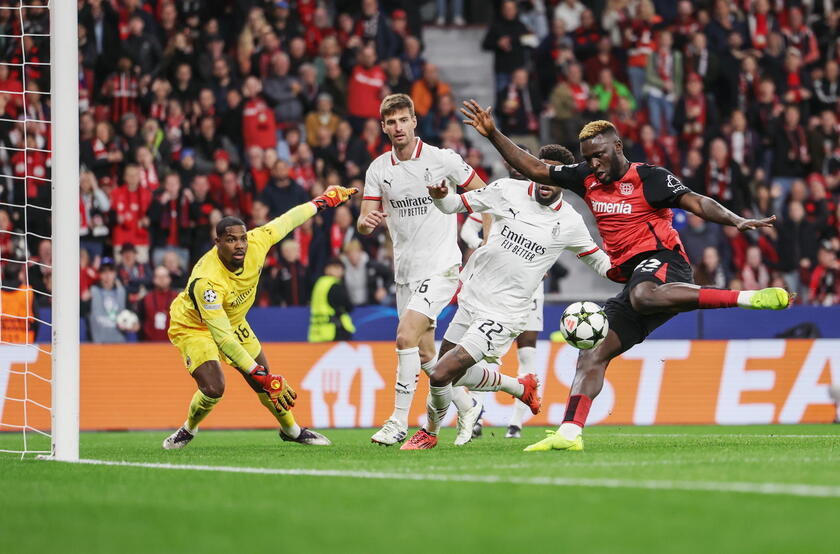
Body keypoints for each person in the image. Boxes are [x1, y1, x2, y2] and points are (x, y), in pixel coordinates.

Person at [460, 104, 791, 452]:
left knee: (644, 296)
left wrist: (735, 219)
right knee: (592, 353)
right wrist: (493, 134)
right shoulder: (586, 177)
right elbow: (536, 168)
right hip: (638, 280)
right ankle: (570, 434)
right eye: (588, 158)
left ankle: (746, 297)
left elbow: (696, 202)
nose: (595, 164)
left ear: (617, 147)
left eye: (600, 155)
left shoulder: (650, 177)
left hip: (666, 264)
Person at [401, 144, 612, 449]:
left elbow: (600, 263)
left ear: (563, 182)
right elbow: (451, 206)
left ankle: (429, 433)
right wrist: (439, 196)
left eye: (552, 178)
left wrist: (636, 271)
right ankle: (518, 386)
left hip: (505, 312)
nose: (543, 182)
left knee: (442, 372)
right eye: (540, 173)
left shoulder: (570, 222)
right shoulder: (506, 190)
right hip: (472, 297)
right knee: (445, 374)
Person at [161, 184, 357, 450]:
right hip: (195, 326)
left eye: (242, 238)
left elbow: (288, 221)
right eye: (231, 240)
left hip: (233, 321)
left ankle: (292, 430)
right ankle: (189, 428)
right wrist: (260, 375)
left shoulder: (257, 241)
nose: (240, 245)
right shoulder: (206, 281)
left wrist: (323, 200)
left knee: (265, 380)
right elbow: (223, 338)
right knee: (215, 388)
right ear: (217, 242)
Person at [358, 93, 489, 446]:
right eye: (391, 122)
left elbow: (485, 193)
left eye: (403, 119)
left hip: (442, 267)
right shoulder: (378, 169)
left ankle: (397, 420)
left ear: (414, 121)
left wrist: (486, 235)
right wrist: (367, 223)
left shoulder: (442, 159)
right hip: (406, 273)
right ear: (383, 127)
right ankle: (469, 404)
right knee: (427, 354)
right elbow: (363, 222)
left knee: (404, 337)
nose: (398, 127)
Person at [308, 257, 356, 342]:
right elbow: (348, 306)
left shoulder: (319, 284)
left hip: (317, 332)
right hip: (335, 331)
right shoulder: (335, 285)